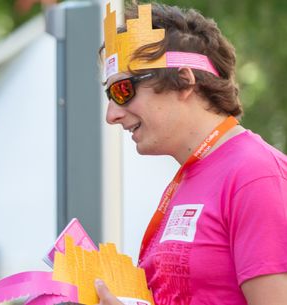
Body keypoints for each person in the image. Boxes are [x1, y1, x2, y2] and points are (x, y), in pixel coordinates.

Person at [96, 2, 287, 305]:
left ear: (184, 81)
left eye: (122, 91)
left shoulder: (255, 173)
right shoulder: (192, 176)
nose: (111, 114)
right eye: (110, 95)